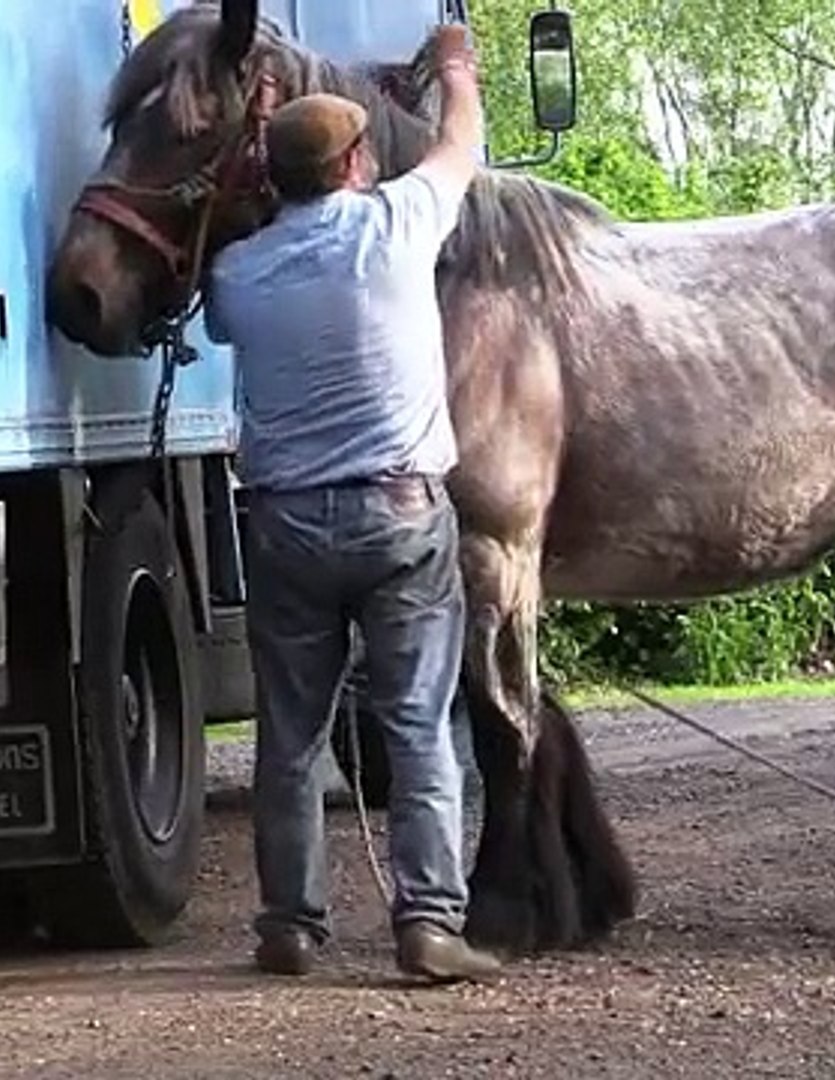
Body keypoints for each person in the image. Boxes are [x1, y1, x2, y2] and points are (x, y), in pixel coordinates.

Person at [202, 24, 496, 984]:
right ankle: (428, 926)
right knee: (417, 725)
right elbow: (461, 149)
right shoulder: (398, 226)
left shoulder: (238, 276)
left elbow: (212, 303)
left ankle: (290, 925)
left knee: (290, 739)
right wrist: (454, 66)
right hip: (401, 516)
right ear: (360, 160)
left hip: (284, 524)